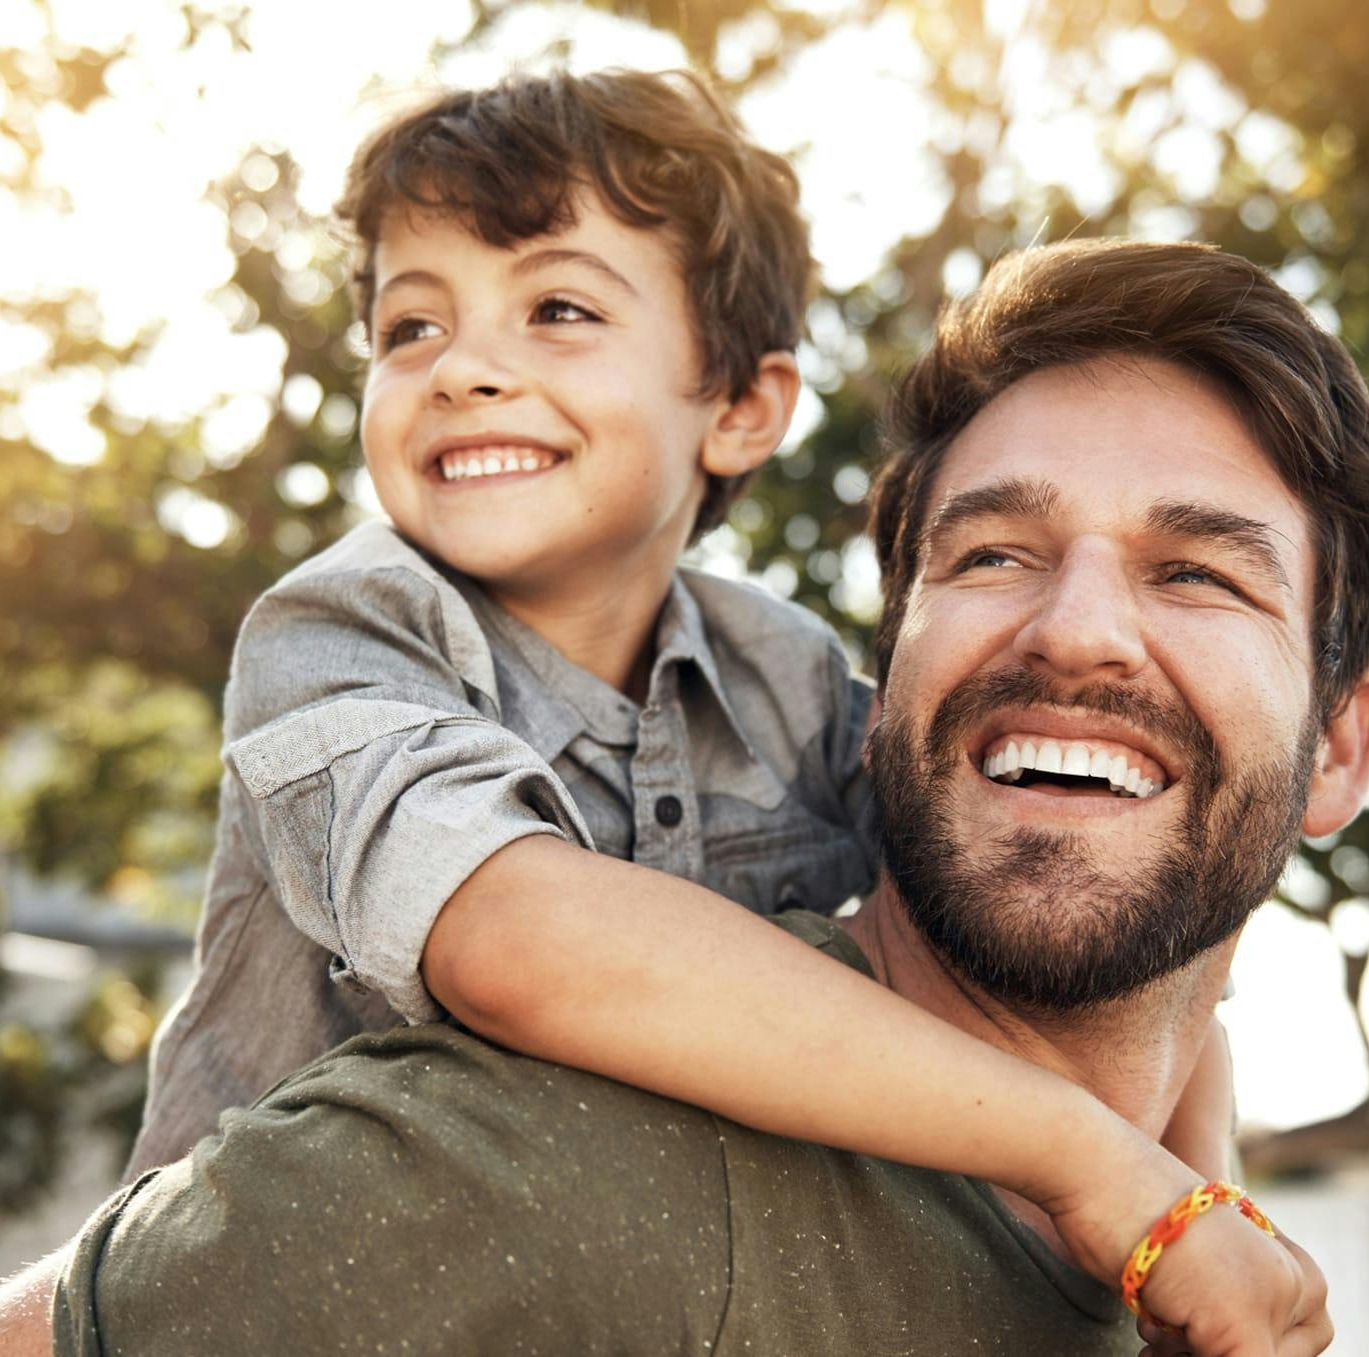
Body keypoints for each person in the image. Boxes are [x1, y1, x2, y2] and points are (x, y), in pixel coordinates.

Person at [0, 234, 1369, 1355]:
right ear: (880, 702)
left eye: (1197, 572)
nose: (1074, 629)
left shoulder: (1174, 1258)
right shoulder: (565, 1167)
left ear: (1339, 750)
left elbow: (1172, 1008)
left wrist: (1184, 1198)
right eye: (989, 556)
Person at [105, 65, 1264, 1321]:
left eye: (555, 307)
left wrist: (1200, 1196)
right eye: (409, 327)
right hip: (300, 1299)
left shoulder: (791, 676)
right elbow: (512, 940)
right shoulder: (344, 630)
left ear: (741, 406)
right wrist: (1088, 1154)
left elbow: (1071, 919)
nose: (461, 369)